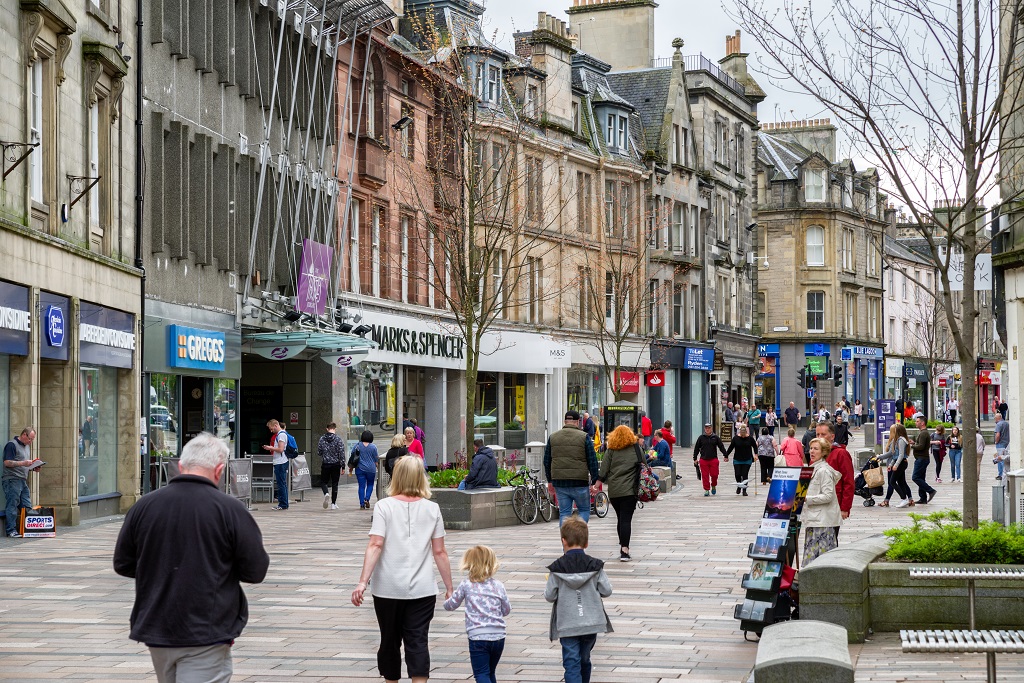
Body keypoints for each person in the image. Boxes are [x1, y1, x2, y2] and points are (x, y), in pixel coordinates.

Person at [113, 433, 270, 682]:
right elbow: (256, 570)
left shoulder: (144, 506)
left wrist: (158, 568)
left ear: (182, 466)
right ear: (219, 470)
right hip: (206, 628)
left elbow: (123, 563)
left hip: (157, 627)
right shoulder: (230, 510)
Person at [351, 456, 454, 683]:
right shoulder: (432, 509)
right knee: (417, 640)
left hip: (387, 589)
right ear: (421, 477)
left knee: (389, 640)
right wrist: (449, 587)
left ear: (396, 476)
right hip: (423, 589)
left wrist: (362, 582)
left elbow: (375, 544)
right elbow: (440, 552)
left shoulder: (383, 507)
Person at [544, 517, 613, 683]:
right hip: (591, 622)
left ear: (563, 542)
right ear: (586, 543)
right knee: (584, 658)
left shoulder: (557, 568)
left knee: (571, 662)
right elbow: (607, 590)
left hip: (568, 624)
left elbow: (549, 596)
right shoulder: (595, 566)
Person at [443, 546, 510, 683]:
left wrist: (448, 598)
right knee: (490, 672)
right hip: (498, 636)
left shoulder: (466, 585)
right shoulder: (498, 585)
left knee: (481, 674)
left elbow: (451, 605)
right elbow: (506, 610)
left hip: (478, 636)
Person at [544, 411, 600, 525]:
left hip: (560, 482)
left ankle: (566, 541)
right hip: (580, 481)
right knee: (584, 510)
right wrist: (595, 481)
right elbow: (592, 460)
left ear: (565, 421)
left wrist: (550, 481)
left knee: (564, 513)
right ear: (578, 422)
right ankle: (579, 537)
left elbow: (547, 461)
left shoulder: (553, 437)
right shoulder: (584, 437)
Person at [598, 425, 643, 562]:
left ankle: (622, 543)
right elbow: (645, 464)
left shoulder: (611, 450)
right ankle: (625, 549)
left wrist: (597, 482)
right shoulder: (636, 448)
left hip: (615, 491)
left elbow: (603, 470)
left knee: (620, 518)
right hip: (630, 490)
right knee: (626, 519)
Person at [802, 438, 842, 565]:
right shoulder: (814, 468)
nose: (812, 451)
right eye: (811, 448)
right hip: (815, 520)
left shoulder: (823, 471)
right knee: (813, 559)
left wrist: (806, 499)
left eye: (816, 449)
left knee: (821, 561)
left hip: (822, 521)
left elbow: (828, 496)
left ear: (823, 452)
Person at [815, 421, 854, 535]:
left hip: (833, 505)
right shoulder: (816, 454)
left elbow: (849, 482)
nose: (820, 437)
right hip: (817, 505)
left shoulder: (840, 454)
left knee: (830, 539)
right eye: (817, 434)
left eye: (823, 434)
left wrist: (845, 508)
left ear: (832, 437)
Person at [3, 428, 39, 538]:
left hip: (22, 479)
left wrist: (33, 467)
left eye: (32, 440)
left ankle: (28, 528)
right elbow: (7, 462)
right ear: (24, 435)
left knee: (26, 504)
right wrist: (24, 462)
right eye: (30, 439)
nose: (30, 442)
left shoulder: (26, 447)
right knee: (12, 504)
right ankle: (11, 530)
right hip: (12, 479)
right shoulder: (11, 445)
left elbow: (23, 466)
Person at [880, 424, 913, 508]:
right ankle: (906, 499)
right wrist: (891, 464)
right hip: (898, 463)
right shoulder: (897, 440)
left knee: (892, 482)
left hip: (901, 463)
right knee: (901, 482)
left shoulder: (901, 440)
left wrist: (896, 465)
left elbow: (901, 455)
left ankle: (904, 499)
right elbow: (895, 455)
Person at [317, 422, 346, 510]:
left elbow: (319, 452)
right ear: (335, 429)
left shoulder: (322, 439)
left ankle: (326, 493)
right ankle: (333, 504)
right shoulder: (338, 439)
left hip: (326, 464)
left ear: (327, 429)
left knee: (323, 482)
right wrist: (343, 466)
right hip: (336, 464)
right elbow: (341, 453)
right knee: (335, 483)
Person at [262, 419, 289, 510]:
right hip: (281, 461)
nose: (271, 431)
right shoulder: (281, 434)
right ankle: (284, 503)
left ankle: (283, 504)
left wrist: (271, 448)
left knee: (281, 483)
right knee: (282, 483)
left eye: (271, 429)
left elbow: (280, 449)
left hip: (280, 462)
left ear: (276, 425)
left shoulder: (281, 435)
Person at [693, 423, 727, 496]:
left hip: (713, 459)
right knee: (705, 476)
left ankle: (713, 485)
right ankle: (706, 489)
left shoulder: (715, 437)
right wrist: (695, 458)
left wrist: (725, 455)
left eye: (709, 428)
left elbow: (721, 446)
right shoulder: (701, 438)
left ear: (711, 429)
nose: (707, 429)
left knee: (714, 475)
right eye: (706, 428)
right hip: (703, 459)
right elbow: (696, 448)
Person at [911, 415, 937, 504]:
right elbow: (921, 444)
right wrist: (914, 443)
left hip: (921, 459)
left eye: (917, 421)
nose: (916, 423)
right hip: (922, 458)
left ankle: (930, 491)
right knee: (921, 477)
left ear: (922, 423)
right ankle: (923, 498)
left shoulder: (923, 433)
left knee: (915, 477)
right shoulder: (923, 433)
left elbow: (921, 447)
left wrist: (912, 446)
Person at [726, 425, 757, 494]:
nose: (743, 436)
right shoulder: (735, 438)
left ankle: (744, 490)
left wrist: (756, 454)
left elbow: (755, 446)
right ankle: (739, 485)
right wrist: (726, 455)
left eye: (744, 435)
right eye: (742, 435)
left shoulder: (750, 438)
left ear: (746, 432)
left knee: (745, 474)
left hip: (747, 459)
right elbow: (731, 447)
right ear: (740, 433)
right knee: (737, 474)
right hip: (737, 459)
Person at [352, 430, 379, 509]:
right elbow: (376, 459)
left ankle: (361, 504)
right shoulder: (373, 447)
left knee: (361, 486)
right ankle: (366, 498)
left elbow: (352, 456)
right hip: (371, 469)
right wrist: (378, 467)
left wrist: (351, 468)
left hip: (360, 468)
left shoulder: (357, 446)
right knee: (370, 484)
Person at [994, 412, 1010, 480]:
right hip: (1007, 443)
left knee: (1000, 459)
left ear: (998, 418)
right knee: (1004, 457)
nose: (994, 419)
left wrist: (996, 441)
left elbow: (998, 434)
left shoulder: (998, 424)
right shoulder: (1007, 423)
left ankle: (1001, 474)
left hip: (1000, 443)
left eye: (995, 418)